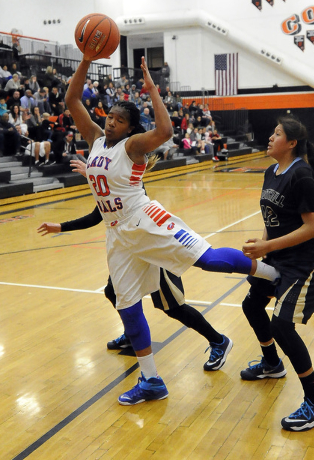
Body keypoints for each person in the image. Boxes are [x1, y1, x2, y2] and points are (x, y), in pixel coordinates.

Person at [65, 54, 280, 407]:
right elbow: (72, 101)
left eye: (119, 120)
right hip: (117, 234)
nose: (111, 123)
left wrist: (152, 91)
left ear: (130, 128)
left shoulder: (132, 146)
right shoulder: (95, 139)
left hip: (144, 219)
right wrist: (87, 59)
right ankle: (151, 380)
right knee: (127, 305)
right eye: (110, 117)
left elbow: (165, 132)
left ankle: (274, 273)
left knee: (208, 261)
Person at [38, 159, 234, 371]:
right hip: (130, 247)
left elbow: (97, 215)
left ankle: (218, 340)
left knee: (174, 308)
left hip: (151, 247)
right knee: (113, 291)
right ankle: (132, 335)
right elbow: (99, 214)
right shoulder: (112, 182)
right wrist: (61, 226)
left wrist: (61, 225)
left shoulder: (128, 183)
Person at [241, 116, 314, 431]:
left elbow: (313, 228)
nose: (270, 138)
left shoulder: (302, 175)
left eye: (277, 134)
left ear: (291, 143)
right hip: (280, 255)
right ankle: (271, 363)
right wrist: (264, 243)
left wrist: (266, 248)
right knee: (251, 304)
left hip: (307, 261)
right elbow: (271, 218)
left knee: (283, 325)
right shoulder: (271, 172)